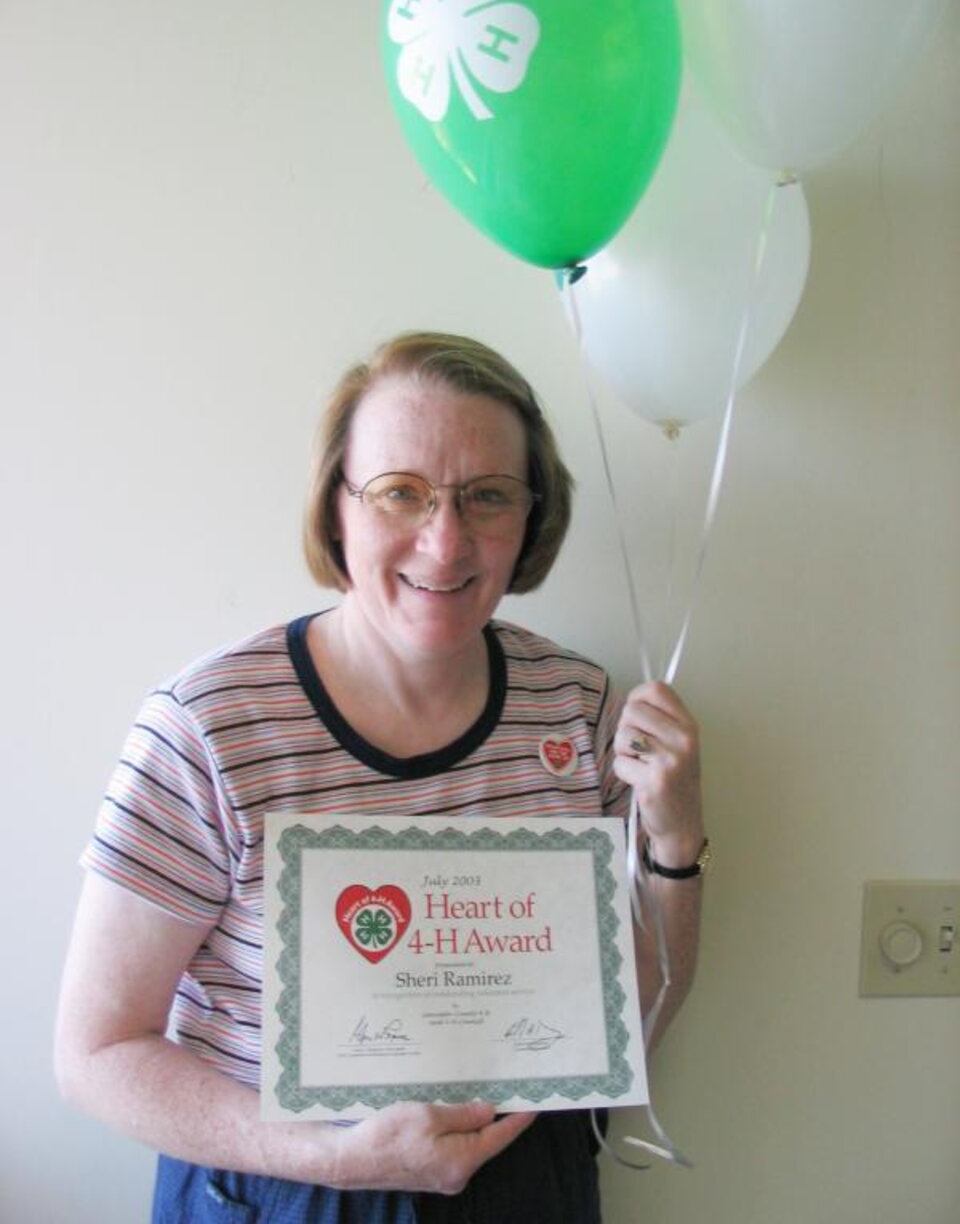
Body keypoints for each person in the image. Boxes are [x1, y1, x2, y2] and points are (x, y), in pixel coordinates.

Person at [55, 331, 707, 1223]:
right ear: (335, 511)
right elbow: (95, 1053)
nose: (445, 543)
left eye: (487, 497)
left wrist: (673, 841)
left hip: (525, 1185)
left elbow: (628, 1026)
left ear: (532, 520)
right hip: (278, 1191)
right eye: (401, 492)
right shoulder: (208, 727)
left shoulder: (579, 707)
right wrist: (329, 1157)